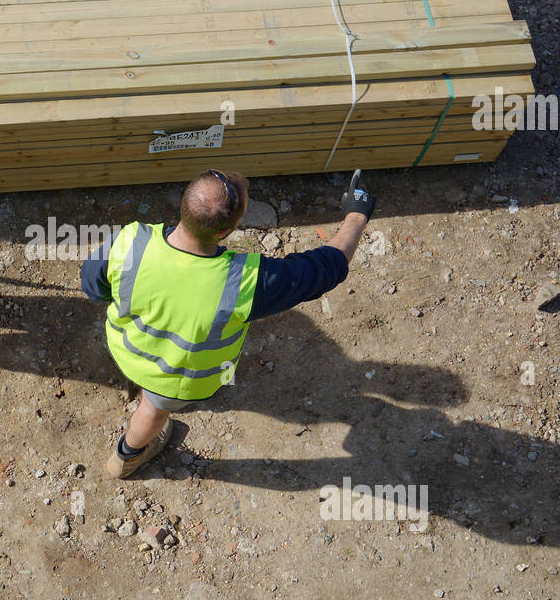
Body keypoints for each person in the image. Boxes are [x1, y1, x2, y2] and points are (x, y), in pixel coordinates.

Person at [81, 169, 376, 478]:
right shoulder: (244, 281)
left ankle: (137, 390)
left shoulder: (132, 241)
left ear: (185, 206)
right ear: (224, 232)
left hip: (126, 349)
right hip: (172, 379)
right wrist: (356, 216)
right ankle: (126, 457)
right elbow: (325, 269)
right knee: (153, 411)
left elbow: (91, 285)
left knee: (145, 388)